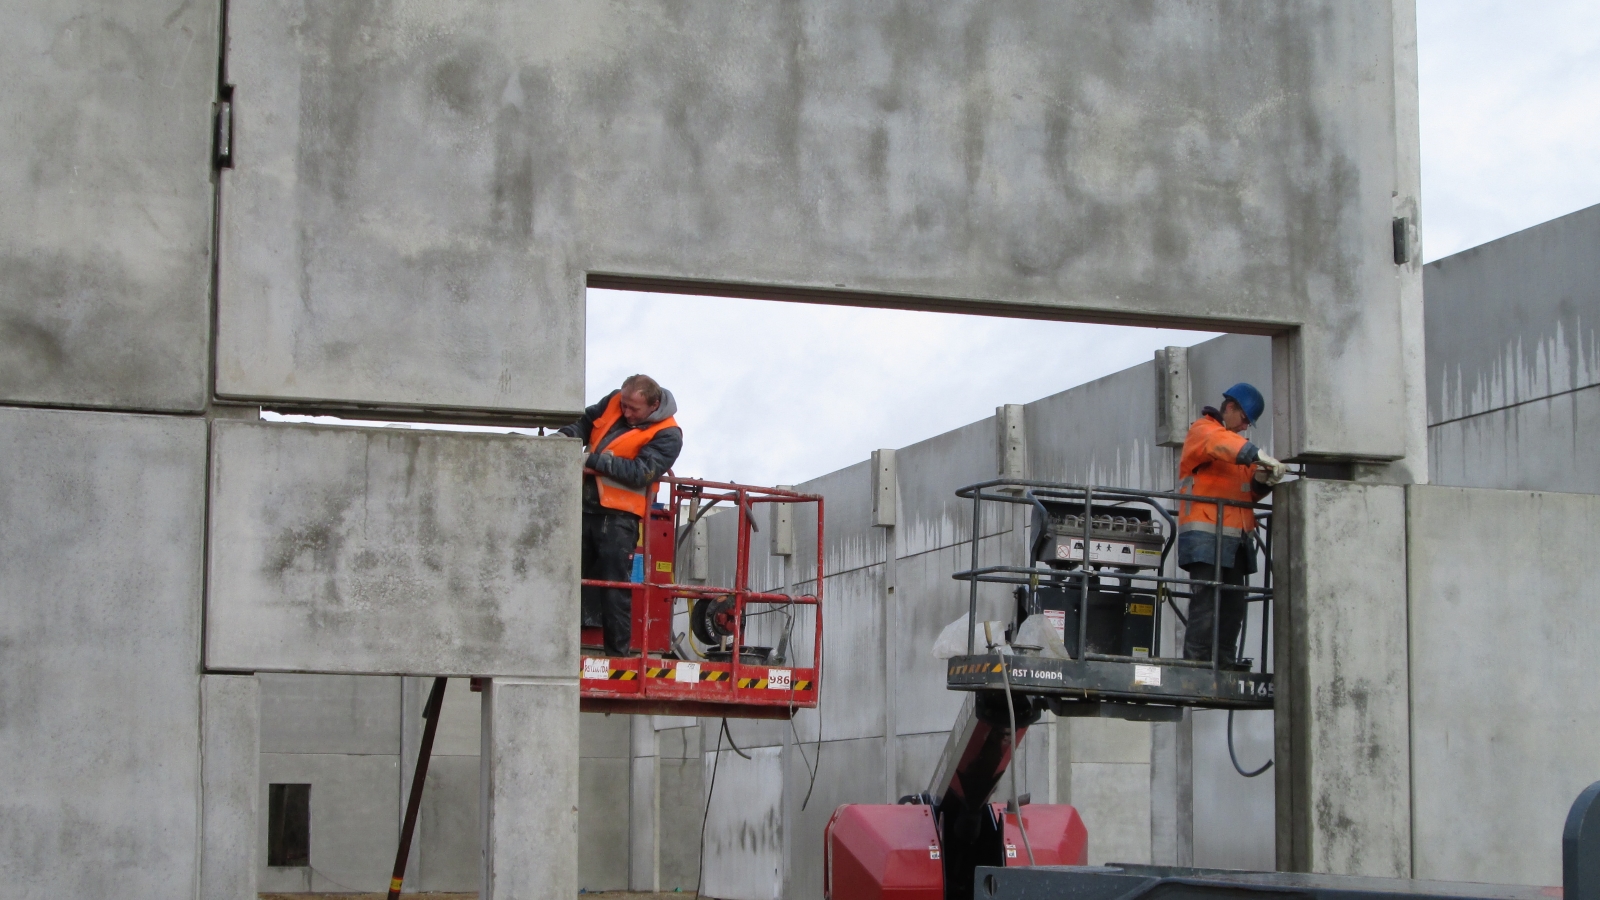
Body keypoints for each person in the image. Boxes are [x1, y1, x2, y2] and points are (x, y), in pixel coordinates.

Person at [557, 375, 683, 657]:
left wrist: (591, 461)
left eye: (633, 409)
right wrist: (565, 436)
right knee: (564, 580)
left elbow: (642, 472)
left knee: (614, 587)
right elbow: (585, 422)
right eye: (624, 405)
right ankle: (557, 651)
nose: (625, 412)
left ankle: (617, 656)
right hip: (581, 507)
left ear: (653, 405)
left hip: (618, 518)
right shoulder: (615, 400)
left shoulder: (669, 435)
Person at [1176, 382, 1286, 665]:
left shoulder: (1238, 448)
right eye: (1246, 419)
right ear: (1230, 408)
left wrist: (1263, 480)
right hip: (1205, 533)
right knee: (1207, 601)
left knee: (1233, 605)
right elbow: (1222, 444)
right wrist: (1259, 455)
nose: (1246, 426)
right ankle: (1197, 662)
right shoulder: (1203, 430)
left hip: (1236, 540)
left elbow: (1248, 492)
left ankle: (1223, 660)